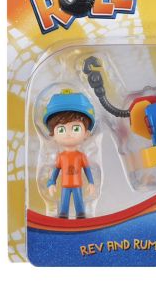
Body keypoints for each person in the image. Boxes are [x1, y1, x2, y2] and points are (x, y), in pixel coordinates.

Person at [44, 90, 96, 219]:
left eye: (75, 128)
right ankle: (63, 217)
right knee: (64, 206)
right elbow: (56, 171)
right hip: (65, 185)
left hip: (77, 185)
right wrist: (51, 182)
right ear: (53, 135)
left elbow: (87, 170)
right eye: (61, 129)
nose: (68, 134)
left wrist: (91, 182)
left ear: (86, 134)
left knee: (79, 205)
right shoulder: (61, 156)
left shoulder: (81, 156)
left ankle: (81, 216)